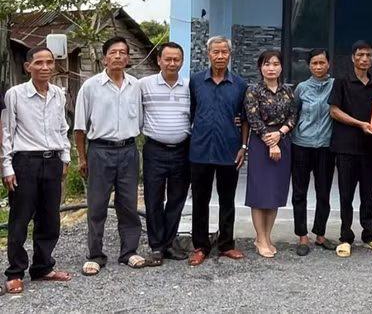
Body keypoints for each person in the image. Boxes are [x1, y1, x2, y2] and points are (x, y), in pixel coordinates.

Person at [2, 48, 72, 294]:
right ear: (28, 66)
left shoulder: (58, 94)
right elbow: (7, 132)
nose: (45, 67)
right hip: (25, 162)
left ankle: (43, 267)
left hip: (52, 160)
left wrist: (65, 157)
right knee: (20, 220)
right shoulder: (15, 95)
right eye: (39, 63)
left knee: (49, 218)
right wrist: (6, 167)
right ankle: (15, 272)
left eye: (49, 62)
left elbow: (62, 127)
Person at [74, 36, 145, 275]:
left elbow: (142, 120)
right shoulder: (91, 86)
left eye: (123, 52)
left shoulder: (136, 86)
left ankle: (129, 252)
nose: (118, 56)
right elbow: (79, 127)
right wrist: (82, 158)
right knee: (97, 205)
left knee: (128, 204)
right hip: (99, 151)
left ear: (128, 58)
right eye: (113, 52)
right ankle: (95, 255)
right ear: (104, 57)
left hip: (128, 150)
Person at [188, 36, 249, 266]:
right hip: (200, 150)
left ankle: (226, 244)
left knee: (227, 200)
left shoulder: (240, 85)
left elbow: (244, 120)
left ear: (230, 55)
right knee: (200, 201)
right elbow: (192, 112)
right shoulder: (196, 82)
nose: (220, 56)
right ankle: (200, 246)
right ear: (208, 54)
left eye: (224, 52)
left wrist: (243, 146)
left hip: (229, 149)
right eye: (216, 52)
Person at [328, 40, 372, 258]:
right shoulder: (342, 81)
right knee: (346, 194)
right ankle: (345, 237)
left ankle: (369, 235)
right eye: (360, 55)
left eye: (369, 55)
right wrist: (360, 124)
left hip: (369, 148)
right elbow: (334, 111)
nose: (364, 59)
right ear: (353, 57)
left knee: (368, 194)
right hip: (345, 148)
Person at [139, 41, 191, 267]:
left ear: (182, 61)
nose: (172, 63)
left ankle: (169, 243)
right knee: (153, 199)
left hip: (182, 150)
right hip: (154, 150)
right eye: (167, 59)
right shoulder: (143, 85)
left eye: (176, 59)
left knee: (177, 199)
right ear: (159, 60)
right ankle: (156, 246)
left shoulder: (190, 87)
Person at [244, 50, 296, 258]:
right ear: (260, 67)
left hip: (282, 141)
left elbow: (293, 115)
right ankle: (260, 238)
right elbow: (252, 117)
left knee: (274, 193)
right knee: (260, 193)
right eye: (267, 64)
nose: (271, 68)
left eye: (275, 64)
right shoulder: (253, 91)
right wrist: (269, 140)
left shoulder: (288, 91)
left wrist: (280, 134)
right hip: (260, 143)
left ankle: (267, 235)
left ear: (281, 67)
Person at [291, 48, 336, 256]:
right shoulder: (301, 88)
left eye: (322, 63)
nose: (318, 67)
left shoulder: (335, 86)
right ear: (309, 65)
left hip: (326, 146)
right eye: (314, 63)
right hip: (301, 145)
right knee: (299, 192)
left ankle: (320, 234)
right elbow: (294, 112)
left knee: (323, 192)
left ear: (328, 64)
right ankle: (302, 236)